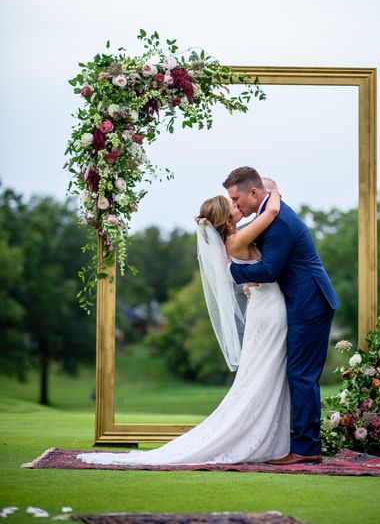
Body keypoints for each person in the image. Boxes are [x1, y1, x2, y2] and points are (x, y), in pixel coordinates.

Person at [77, 189, 291, 466]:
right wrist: (271, 192)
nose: (238, 205)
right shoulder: (238, 239)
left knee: (265, 374)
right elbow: (272, 211)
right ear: (227, 221)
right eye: (233, 205)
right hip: (269, 311)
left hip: (264, 308)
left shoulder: (235, 238)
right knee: (265, 374)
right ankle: (265, 439)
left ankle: (274, 437)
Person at [223, 166, 339, 465]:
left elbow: (269, 270)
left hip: (309, 303)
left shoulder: (279, 223)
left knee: (301, 376)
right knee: (298, 374)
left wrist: (232, 271)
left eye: (237, 199)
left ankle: (306, 448)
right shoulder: (269, 216)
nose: (236, 206)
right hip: (301, 301)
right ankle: (299, 442)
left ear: (254, 192)